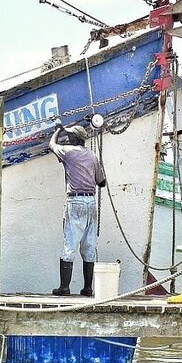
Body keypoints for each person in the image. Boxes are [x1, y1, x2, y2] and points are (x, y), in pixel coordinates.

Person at [49, 121, 106, 296]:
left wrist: (58, 130)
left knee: (70, 244)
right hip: (91, 202)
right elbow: (101, 182)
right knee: (89, 245)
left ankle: (64, 287)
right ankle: (88, 288)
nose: (67, 138)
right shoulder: (93, 156)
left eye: (69, 135)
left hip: (75, 201)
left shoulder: (68, 152)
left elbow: (51, 145)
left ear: (74, 138)